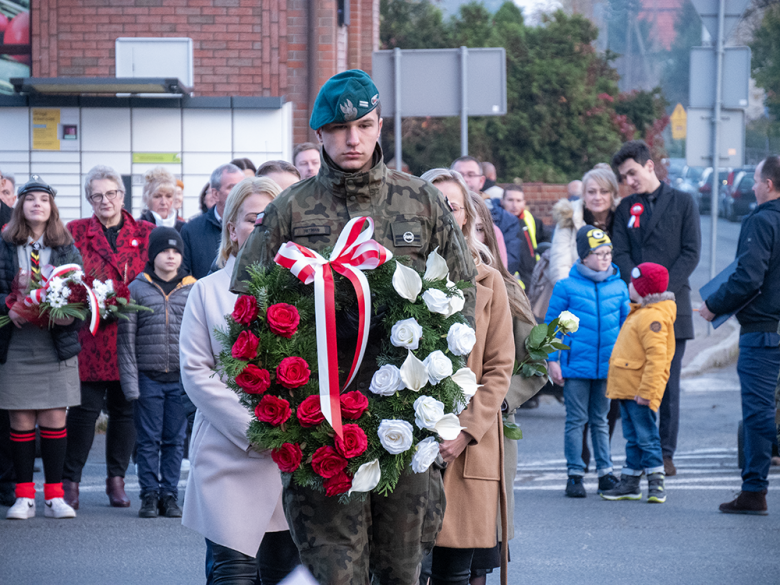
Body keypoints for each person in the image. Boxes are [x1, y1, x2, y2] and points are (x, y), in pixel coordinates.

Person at [232, 69, 477, 584]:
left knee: (402, 570)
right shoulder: (290, 208)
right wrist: (286, 405)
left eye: (364, 125)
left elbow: (460, 300)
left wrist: (439, 397)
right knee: (333, 571)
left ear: (379, 125)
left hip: (404, 419)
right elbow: (250, 311)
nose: (353, 139)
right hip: (321, 420)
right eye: (340, 129)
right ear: (320, 134)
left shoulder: (421, 201)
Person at [180, 176, 300, 583]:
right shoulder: (206, 291)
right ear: (232, 229)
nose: (261, 228)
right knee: (232, 570)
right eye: (252, 219)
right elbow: (196, 372)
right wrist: (255, 428)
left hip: (289, 453)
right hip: (228, 448)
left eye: (270, 219)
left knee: (283, 570)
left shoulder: (304, 290)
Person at [417, 169, 513, 585]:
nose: (442, 213)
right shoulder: (391, 276)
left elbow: (500, 367)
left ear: (467, 217)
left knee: (454, 572)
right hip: (405, 440)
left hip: (466, 446)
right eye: (432, 204)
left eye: (451, 206)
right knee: (401, 570)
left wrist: (465, 431)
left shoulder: (490, 282)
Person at [62, 165, 155, 510]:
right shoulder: (74, 231)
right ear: (89, 199)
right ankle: (70, 480)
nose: (105, 200)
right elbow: (65, 276)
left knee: (124, 411)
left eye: (111, 193)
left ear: (122, 195)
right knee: (83, 412)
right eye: (97, 195)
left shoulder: (146, 232)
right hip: (90, 335)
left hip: (131, 334)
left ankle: (116, 480)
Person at [468, 190, 546, 584]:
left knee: (479, 551)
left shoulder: (508, 288)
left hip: (489, 430)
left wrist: (498, 402)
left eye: (478, 228)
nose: (469, 235)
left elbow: (534, 365)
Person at [611, 140, 700, 477]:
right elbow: (620, 252)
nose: (629, 181)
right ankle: (639, 453)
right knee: (634, 382)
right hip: (635, 308)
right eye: (624, 176)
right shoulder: (626, 208)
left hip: (673, 306)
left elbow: (691, 253)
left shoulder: (683, 202)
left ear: (650, 166)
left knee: (668, 384)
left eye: (632, 173)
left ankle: (665, 453)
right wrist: (637, 284)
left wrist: (660, 289)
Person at [699, 156, 780, 515]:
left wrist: (713, 305)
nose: (754, 186)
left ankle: (754, 490)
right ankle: (753, 490)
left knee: (759, 413)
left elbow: (748, 277)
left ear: (768, 185)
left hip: (764, 333)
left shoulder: (762, 221)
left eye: (757, 180)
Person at [0, 176, 83, 520]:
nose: (37, 204)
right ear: (20, 206)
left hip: (54, 342)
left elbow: (81, 294)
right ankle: (24, 497)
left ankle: (54, 496)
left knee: (53, 417)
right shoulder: (4, 243)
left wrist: (67, 314)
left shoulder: (66, 247)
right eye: (31, 198)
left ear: (52, 207)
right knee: (20, 418)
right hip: (16, 343)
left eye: (44, 199)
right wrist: (8, 306)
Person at [118, 227, 195, 519]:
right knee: (148, 440)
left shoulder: (192, 289)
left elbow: (200, 337)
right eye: (164, 251)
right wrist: (131, 385)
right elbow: (126, 342)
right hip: (148, 378)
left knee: (175, 440)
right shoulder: (137, 289)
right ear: (152, 255)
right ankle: (149, 494)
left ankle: (169, 495)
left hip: (180, 380)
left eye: (176, 252)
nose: (171, 256)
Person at [546, 226, 628, 497]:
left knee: (601, 420)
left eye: (608, 253)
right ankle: (575, 475)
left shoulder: (618, 286)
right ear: (584, 256)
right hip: (576, 366)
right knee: (576, 420)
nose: (605, 258)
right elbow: (552, 326)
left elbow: (626, 328)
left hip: (607, 367)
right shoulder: (566, 287)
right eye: (598, 253)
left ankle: (605, 473)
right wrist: (552, 360)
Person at [601, 263, 676, 503]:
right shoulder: (641, 312)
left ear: (645, 289)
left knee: (647, 437)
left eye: (634, 283)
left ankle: (656, 483)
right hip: (628, 389)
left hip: (638, 392)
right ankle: (630, 483)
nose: (629, 286)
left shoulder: (652, 317)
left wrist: (647, 392)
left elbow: (657, 359)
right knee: (633, 438)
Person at [451, 156, 522, 276]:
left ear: (481, 181)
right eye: (459, 174)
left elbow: (507, 263)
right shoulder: (438, 215)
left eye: (471, 174)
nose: (465, 179)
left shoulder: (505, 220)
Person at [550, 166, 620, 284]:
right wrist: (572, 292)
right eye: (591, 192)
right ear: (583, 195)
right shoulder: (569, 217)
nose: (597, 197)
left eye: (604, 191)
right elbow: (560, 266)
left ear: (613, 194)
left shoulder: (623, 217)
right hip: (577, 289)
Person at [181, 163, 244, 279]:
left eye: (242, 187)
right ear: (215, 194)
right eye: (232, 187)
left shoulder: (254, 226)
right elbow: (183, 277)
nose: (239, 193)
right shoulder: (191, 230)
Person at [138, 167, 185, 232]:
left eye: (168, 196)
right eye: (157, 196)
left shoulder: (184, 230)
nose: (163, 202)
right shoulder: (137, 229)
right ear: (147, 199)